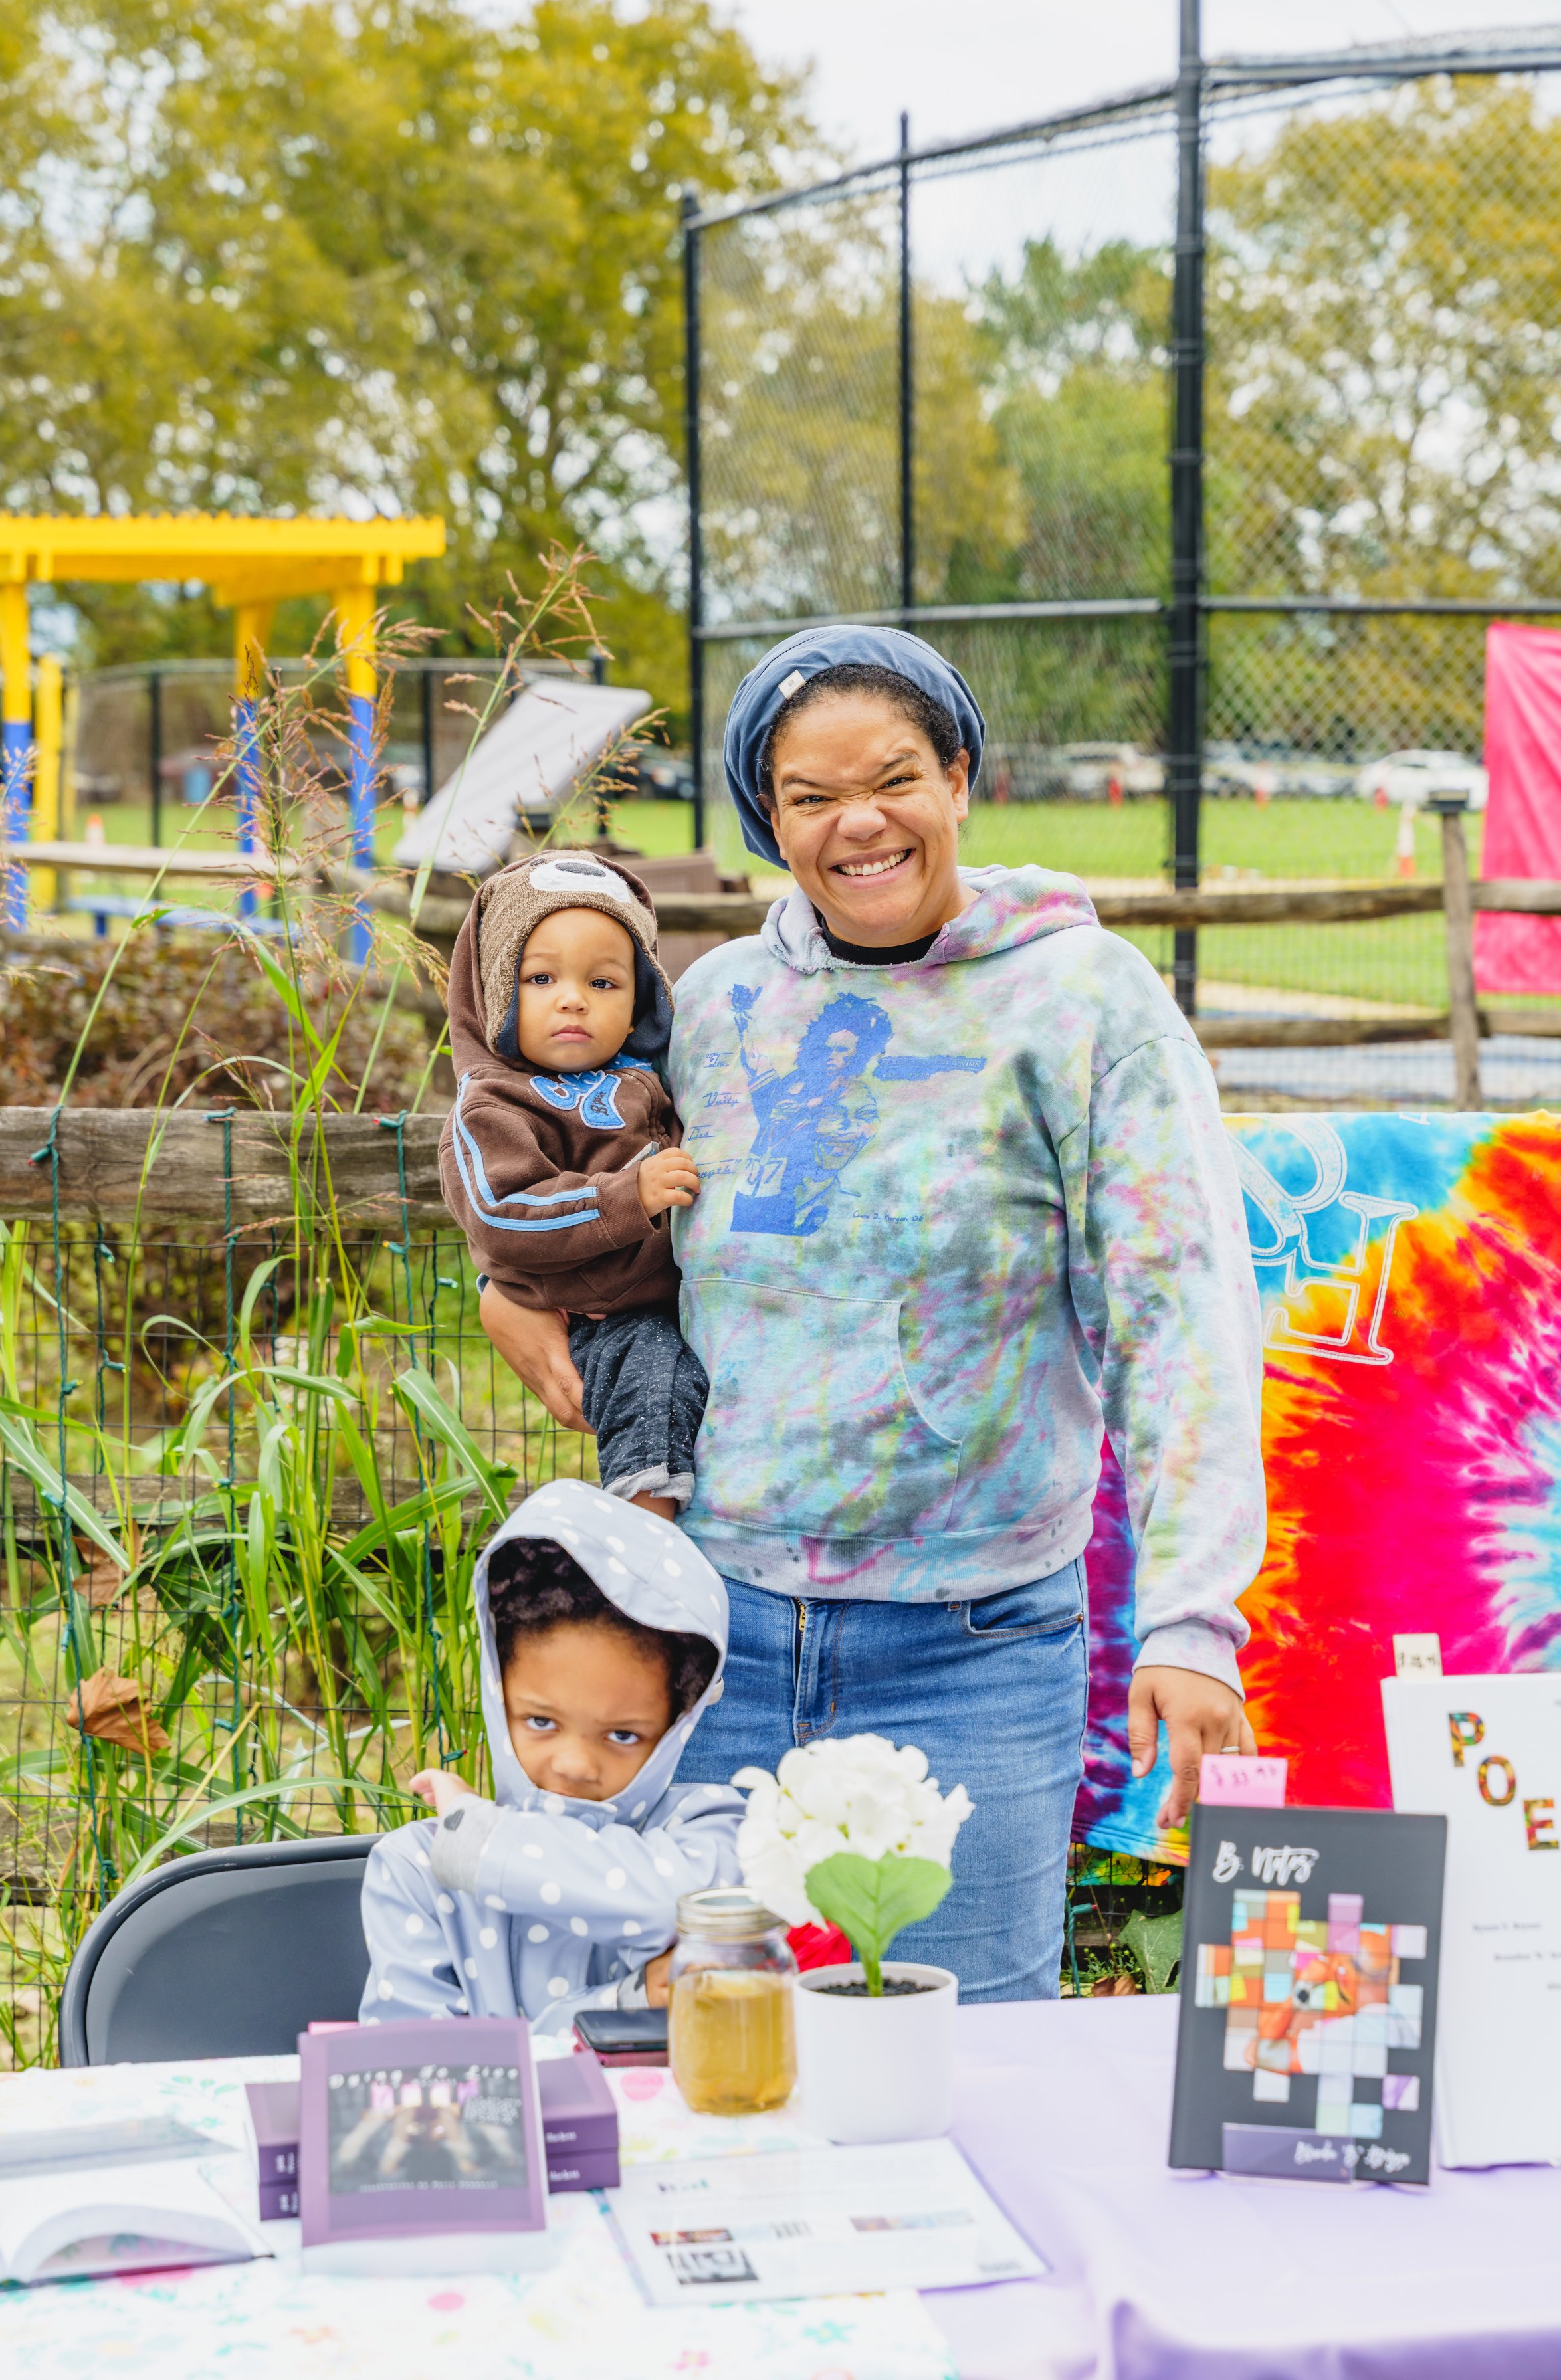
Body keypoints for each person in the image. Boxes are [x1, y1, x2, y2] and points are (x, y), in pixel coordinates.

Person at [478, 627, 1265, 2004]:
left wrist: (1190, 1621)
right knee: (684, 2052)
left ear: (959, 775)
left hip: (968, 1653)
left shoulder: (1080, 1007)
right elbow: (567, 1148)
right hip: (702, 1643)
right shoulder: (715, 1008)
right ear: (765, 818)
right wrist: (508, 1285)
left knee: (973, 2072)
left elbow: (1176, 1320)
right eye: (808, 796)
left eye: (894, 777)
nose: (859, 823)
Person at [360, 1478, 744, 2033]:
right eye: (541, 1722)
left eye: (623, 1736)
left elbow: (676, 1909)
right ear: (498, 1693)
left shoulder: (710, 1830)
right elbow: (415, 2065)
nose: (574, 1765)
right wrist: (622, 2005)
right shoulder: (418, 1868)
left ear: (676, 1726)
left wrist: (485, 1845)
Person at [439, 851, 705, 1516]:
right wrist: (627, 1196)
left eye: (605, 984)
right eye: (540, 977)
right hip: (597, 1312)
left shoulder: (650, 1079)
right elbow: (502, 1214)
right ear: (497, 989)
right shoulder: (492, 1105)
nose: (572, 998)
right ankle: (646, 1534)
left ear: (643, 1000)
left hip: (681, 1295)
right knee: (653, 1385)